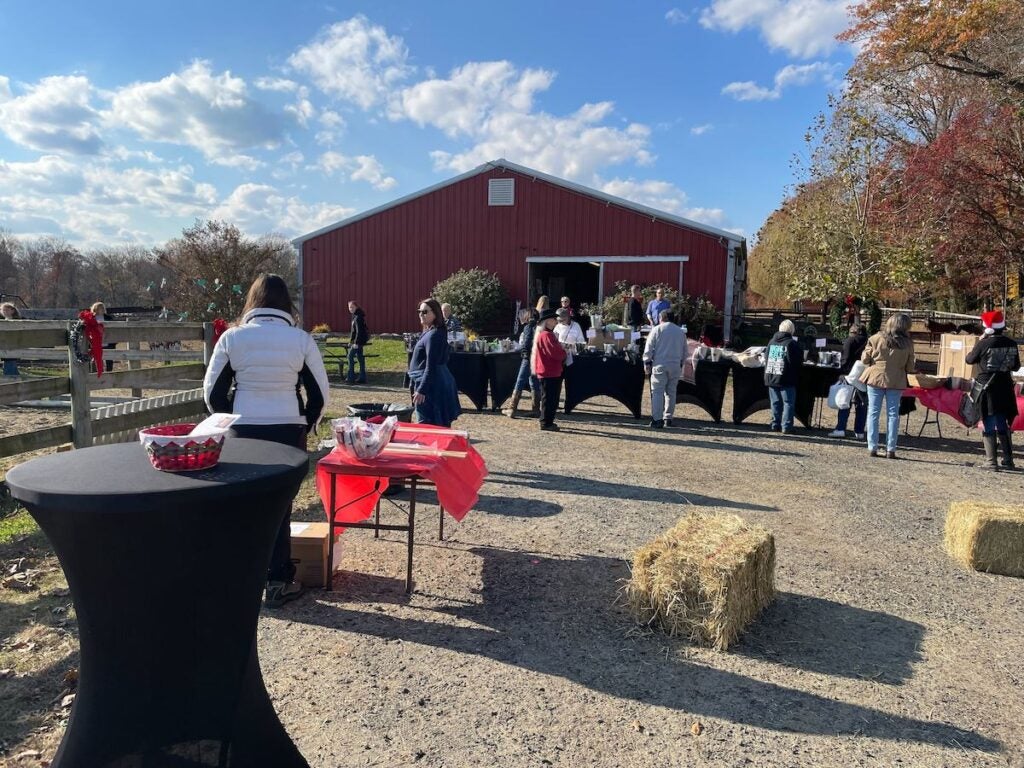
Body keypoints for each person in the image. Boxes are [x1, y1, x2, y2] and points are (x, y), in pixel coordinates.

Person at [203, 274, 330, 607]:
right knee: (279, 506)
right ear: (286, 303)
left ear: (252, 301)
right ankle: (277, 579)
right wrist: (309, 422)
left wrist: (232, 418)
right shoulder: (300, 340)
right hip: (287, 429)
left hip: (243, 430)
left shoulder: (232, 338)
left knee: (243, 504)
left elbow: (212, 392)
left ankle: (241, 577)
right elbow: (319, 392)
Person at [966, 310, 1020, 470]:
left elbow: (969, 359)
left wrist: (980, 340)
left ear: (987, 327)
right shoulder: (1012, 343)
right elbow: (1016, 366)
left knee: (988, 420)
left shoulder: (984, 343)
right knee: (1002, 421)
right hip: (1005, 386)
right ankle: (1008, 460)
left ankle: (991, 461)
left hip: (986, 387)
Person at [861, 313, 916, 459]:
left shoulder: (875, 338)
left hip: (876, 377)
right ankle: (891, 449)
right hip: (896, 380)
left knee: (873, 413)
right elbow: (910, 368)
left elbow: (865, 359)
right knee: (893, 415)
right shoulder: (908, 344)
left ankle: (872, 446)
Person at [409, 299, 462, 427]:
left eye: (425, 311)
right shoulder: (432, 331)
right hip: (432, 381)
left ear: (436, 313)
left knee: (428, 426)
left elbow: (431, 365)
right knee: (437, 425)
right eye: (419, 311)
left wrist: (422, 389)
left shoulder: (434, 335)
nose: (421, 314)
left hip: (431, 386)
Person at [643, 309, 686, 429]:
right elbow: (685, 351)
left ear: (662, 318)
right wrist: (680, 364)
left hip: (660, 364)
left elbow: (649, 348)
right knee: (671, 393)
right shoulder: (680, 332)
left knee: (657, 392)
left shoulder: (657, 329)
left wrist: (647, 362)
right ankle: (668, 417)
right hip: (675, 365)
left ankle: (657, 419)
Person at [829, 323, 869, 439]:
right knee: (861, 404)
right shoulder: (869, 342)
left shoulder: (850, 341)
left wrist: (842, 373)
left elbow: (845, 359)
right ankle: (860, 431)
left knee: (844, 402)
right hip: (864, 376)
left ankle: (840, 428)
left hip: (850, 376)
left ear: (853, 332)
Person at [764, 319, 802, 434]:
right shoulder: (791, 343)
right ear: (791, 330)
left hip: (772, 375)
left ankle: (775, 424)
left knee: (775, 402)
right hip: (786, 378)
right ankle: (786, 426)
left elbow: (766, 357)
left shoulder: (771, 341)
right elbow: (796, 361)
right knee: (788, 402)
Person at [531, 308, 566, 431]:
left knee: (550, 398)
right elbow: (555, 353)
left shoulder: (544, 334)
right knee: (549, 398)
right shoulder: (546, 335)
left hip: (548, 371)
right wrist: (564, 352)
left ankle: (547, 421)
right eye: (554, 319)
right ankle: (546, 422)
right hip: (549, 371)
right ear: (547, 321)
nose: (556, 322)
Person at [507, 308, 540, 418]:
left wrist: (524, 354)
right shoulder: (539, 326)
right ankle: (535, 409)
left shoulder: (528, 327)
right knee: (534, 382)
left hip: (528, 358)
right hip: (536, 357)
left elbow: (526, 344)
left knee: (520, 381)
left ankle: (512, 409)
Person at [346, 300, 369, 384]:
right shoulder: (355, 316)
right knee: (360, 358)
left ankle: (351, 377)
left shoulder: (358, 317)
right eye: (349, 307)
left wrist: (356, 343)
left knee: (350, 356)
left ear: (356, 307)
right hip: (358, 341)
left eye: (352, 307)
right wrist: (351, 341)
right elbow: (353, 331)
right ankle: (362, 378)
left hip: (359, 341)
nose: (350, 309)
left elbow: (359, 331)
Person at [90, 301, 116, 372]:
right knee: (95, 360)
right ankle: (96, 373)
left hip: (107, 342)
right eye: (99, 308)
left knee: (109, 359)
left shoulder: (109, 318)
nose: (101, 309)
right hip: (96, 342)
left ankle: (109, 372)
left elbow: (114, 329)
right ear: (95, 309)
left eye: (102, 308)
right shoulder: (91, 318)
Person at [1, 302, 21, 376]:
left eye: (7, 310)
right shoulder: (4, 321)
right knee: (10, 366)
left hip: (11, 347)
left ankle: (11, 383)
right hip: (5, 347)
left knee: (9, 367)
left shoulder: (15, 321)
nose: (4, 312)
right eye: (3, 310)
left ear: (12, 310)